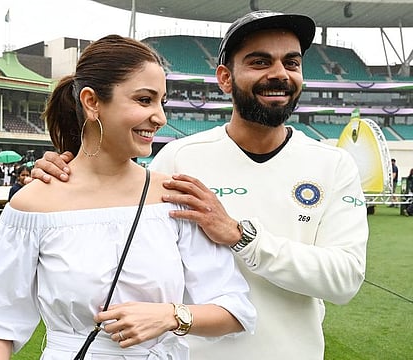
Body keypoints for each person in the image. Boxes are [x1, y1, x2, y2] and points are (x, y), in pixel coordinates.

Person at [32, 11, 369, 360]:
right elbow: (111, 231)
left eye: (292, 63)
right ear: (224, 78)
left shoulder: (333, 164)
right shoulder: (180, 158)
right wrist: (64, 176)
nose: (279, 74)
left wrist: (242, 236)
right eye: (259, 61)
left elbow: (344, 280)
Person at [0, 35, 256, 360]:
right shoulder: (33, 205)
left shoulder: (173, 197)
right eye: (144, 100)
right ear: (92, 101)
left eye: (162, 102)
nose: (160, 117)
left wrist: (171, 315)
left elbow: (233, 308)